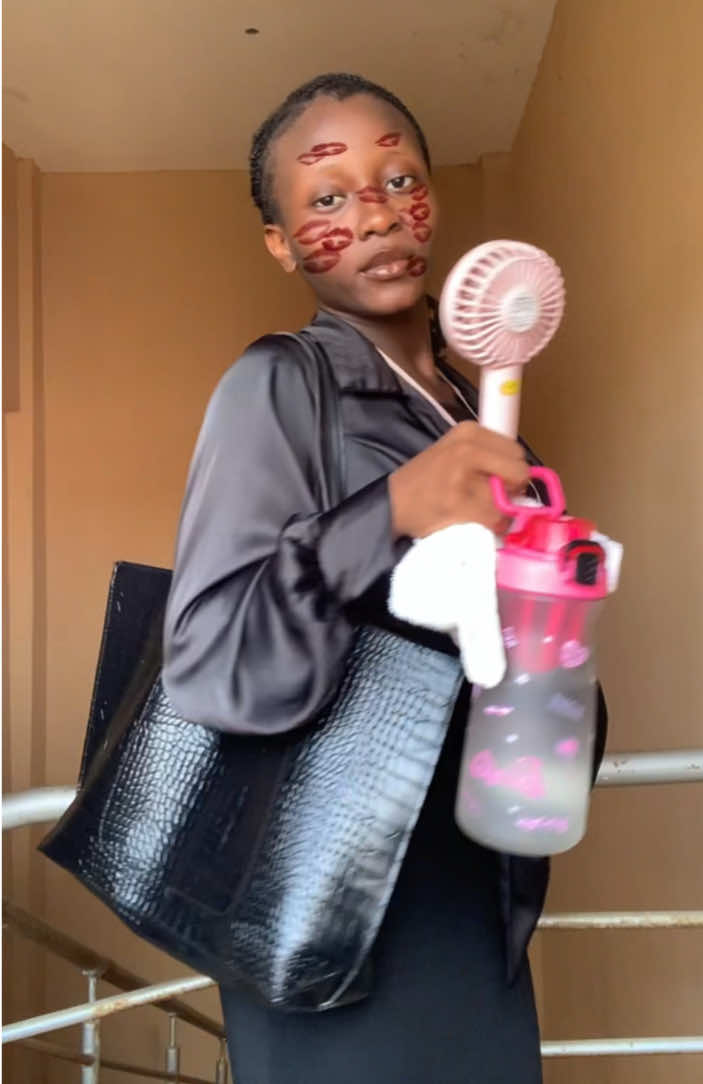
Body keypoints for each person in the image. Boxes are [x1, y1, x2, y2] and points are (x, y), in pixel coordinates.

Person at [163, 72, 605, 1084]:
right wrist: (392, 512)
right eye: (326, 198)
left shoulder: (475, 414)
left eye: (398, 176)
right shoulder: (279, 385)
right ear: (280, 241)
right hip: (333, 920)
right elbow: (209, 660)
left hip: (475, 886)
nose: (371, 211)